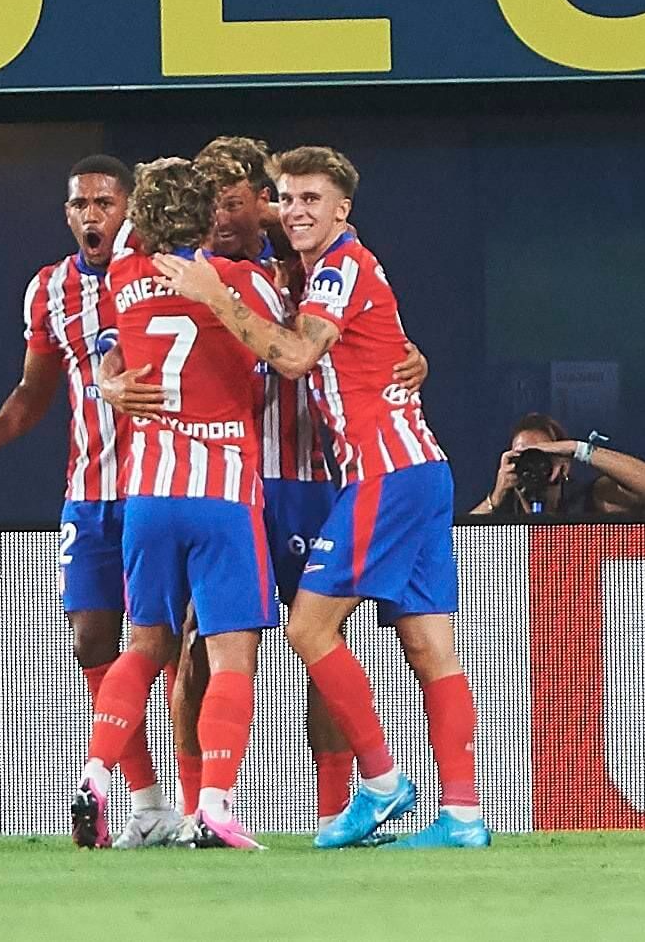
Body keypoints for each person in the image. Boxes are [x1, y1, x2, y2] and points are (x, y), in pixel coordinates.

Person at [154, 145, 489, 849]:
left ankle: (381, 781)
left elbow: (299, 356)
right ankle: (462, 815)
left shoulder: (336, 268)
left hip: (383, 473)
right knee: (432, 649)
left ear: (343, 209)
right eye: (290, 197)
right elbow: (374, 341)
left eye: (313, 199)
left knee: (308, 629)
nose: (298, 210)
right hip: (422, 466)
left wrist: (214, 296)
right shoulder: (323, 269)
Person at [102, 136, 427, 835]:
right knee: (197, 641)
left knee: (316, 643)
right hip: (240, 482)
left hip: (309, 476)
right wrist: (108, 371)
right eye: (211, 203)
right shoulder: (198, 271)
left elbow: (369, 331)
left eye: (238, 201)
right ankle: (198, 807)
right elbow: (118, 315)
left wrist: (411, 354)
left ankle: (337, 806)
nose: (221, 216)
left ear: (263, 205)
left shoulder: (304, 266)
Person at [0, 155, 180, 847]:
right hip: (89, 495)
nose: (90, 215)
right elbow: (33, 392)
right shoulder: (49, 289)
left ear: (129, 209)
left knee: (170, 648)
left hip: (161, 488)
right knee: (91, 643)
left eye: (104, 202)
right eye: (79, 205)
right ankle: (146, 803)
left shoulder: (169, 271)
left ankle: (200, 805)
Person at [73, 155, 280, 851]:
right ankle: (215, 803)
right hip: (222, 491)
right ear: (209, 216)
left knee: (144, 647)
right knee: (230, 656)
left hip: (148, 492)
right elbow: (278, 355)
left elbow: (110, 335)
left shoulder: (124, 280)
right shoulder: (245, 281)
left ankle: (98, 770)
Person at [469, 412, 645, 516]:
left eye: (541, 455)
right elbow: (453, 547)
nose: (531, 464)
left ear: (564, 464)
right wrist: (495, 498)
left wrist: (577, 449)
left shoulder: (586, 500)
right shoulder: (501, 509)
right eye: (523, 457)